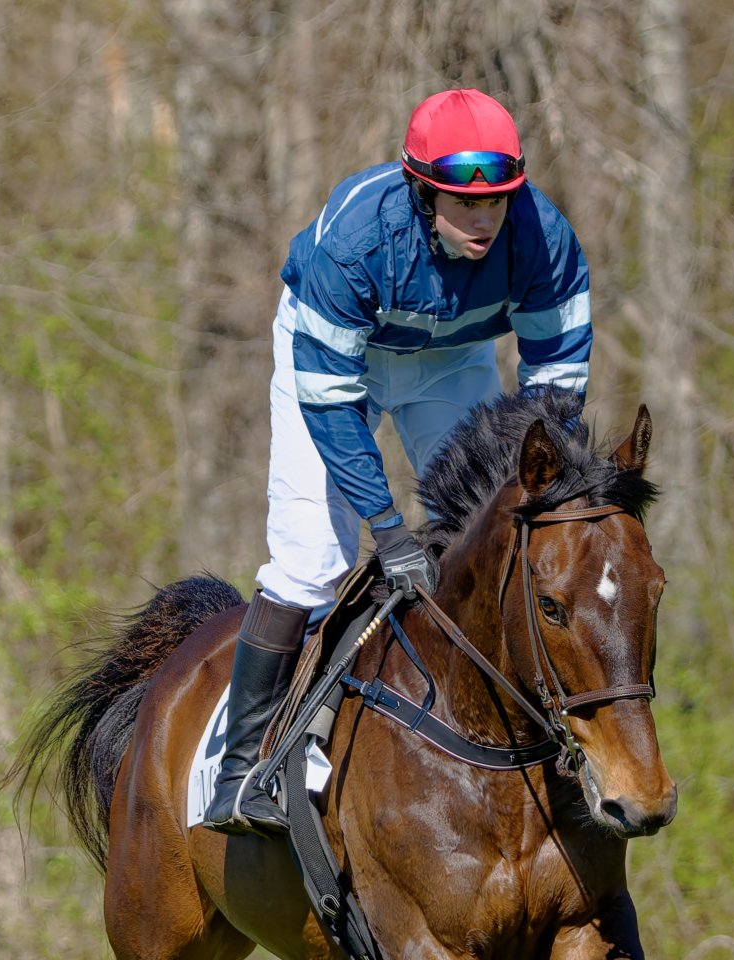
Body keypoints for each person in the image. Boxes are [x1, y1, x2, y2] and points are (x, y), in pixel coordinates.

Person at [204, 88, 594, 834]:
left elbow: (556, 381)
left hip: (450, 361)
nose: (484, 220)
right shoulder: (356, 240)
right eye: (462, 203)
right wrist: (386, 528)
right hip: (333, 365)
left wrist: (539, 480)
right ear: (421, 189)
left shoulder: (543, 235)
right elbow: (330, 403)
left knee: (496, 529)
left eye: (498, 203)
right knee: (313, 559)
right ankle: (240, 769)